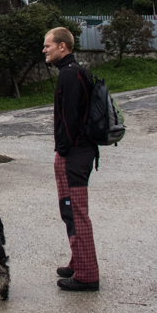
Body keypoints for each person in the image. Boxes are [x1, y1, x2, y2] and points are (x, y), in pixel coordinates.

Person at [43, 27, 100, 292]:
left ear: (63, 46)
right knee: (72, 212)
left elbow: (70, 119)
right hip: (82, 151)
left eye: (48, 45)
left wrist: (62, 150)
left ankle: (87, 275)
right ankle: (79, 261)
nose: (45, 50)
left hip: (74, 154)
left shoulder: (69, 75)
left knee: (75, 213)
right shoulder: (78, 71)